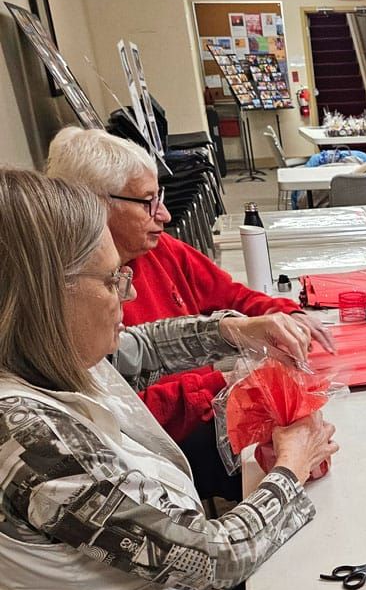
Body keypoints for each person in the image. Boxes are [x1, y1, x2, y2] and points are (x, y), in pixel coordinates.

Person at [0, 169, 338, 590]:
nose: (128, 294)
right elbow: (210, 558)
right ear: (42, 296)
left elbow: (145, 348)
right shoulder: (26, 443)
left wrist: (239, 329)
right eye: (112, 279)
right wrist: (291, 468)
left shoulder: (48, 355)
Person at [45, 126, 334, 499]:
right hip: (166, 453)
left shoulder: (156, 252)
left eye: (159, 196)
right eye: (147, 201)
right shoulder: (76, 306)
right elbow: (218, 551)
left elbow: (145, 345)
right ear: (93, 206)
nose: (163, 213)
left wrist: (274, 319)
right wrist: (289, 470)